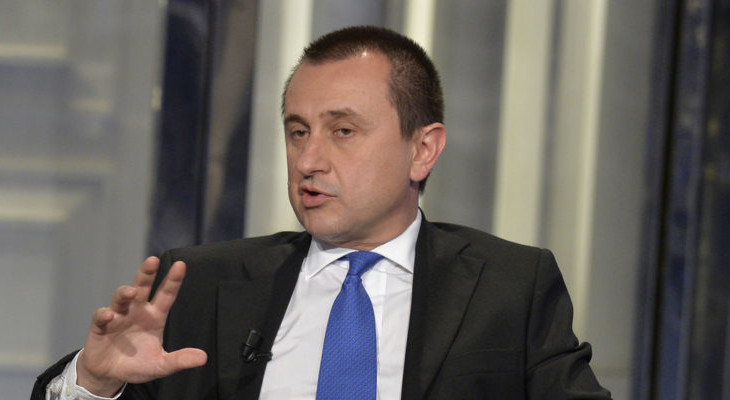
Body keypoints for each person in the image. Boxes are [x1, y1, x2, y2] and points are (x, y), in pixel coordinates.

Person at [33, 26, 611, 399]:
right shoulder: (198, 285)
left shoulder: (509, 288)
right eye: (297, 131)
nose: (308, 160)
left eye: (343, 131)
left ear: (423, 149)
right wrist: (95, 383)